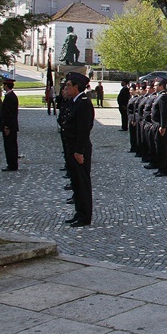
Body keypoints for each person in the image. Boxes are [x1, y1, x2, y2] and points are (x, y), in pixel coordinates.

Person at [61, 72, 95, 227]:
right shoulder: (73, 102)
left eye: (69, 85)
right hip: (71, 148)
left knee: (82, 183)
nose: (66, 88)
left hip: (78, 150)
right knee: (76, 183)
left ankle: (84, 216)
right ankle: (78, 212)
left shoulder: (83, 103)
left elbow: (84, 129)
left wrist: (79, 151)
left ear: (77, 87)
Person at [150, 77, 167, 177]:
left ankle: (163, 169)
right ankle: (159, 166)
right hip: (156, 124)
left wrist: (163, 126)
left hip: (160, 125)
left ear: (161, 86)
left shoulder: (163, 97)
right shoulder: (158, 96)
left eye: (156, 85)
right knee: (157, 147)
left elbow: (163, 113)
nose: (154, 87)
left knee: (161, 148)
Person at [0, 77, 19, 172]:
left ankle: (12, 164)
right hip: (10, 126)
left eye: (4, 85)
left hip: (9, 127)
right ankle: (11, 163)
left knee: (10, 146)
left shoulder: (10, 97)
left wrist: (7, 126)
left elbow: (9, 114)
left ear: (6, 86)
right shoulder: (10, 96)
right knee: (10, 145)